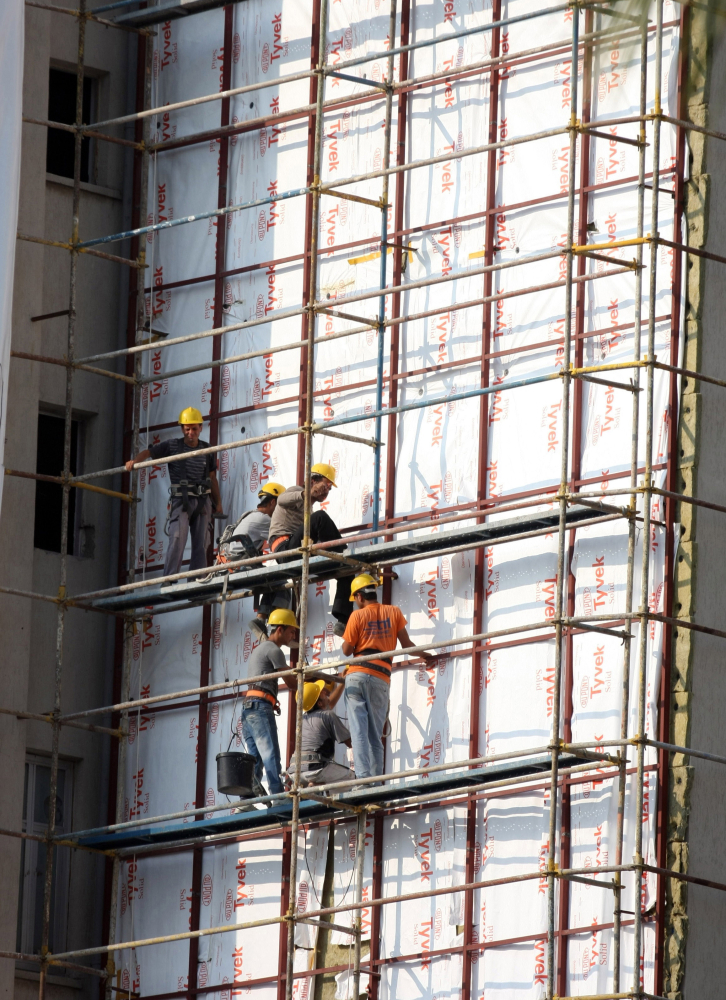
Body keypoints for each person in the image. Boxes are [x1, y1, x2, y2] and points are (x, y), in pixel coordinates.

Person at [341, 574, 434, 782]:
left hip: (356, 674)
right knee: (376, 735)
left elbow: (347, 650)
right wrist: (426, 655)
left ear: (358, 597)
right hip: (380, 677)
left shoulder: (356, 616)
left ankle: (363, 781)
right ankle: (375, 783)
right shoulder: (394, 612)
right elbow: (407, 644)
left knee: (358, 732)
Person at [125, 407, 223, 578]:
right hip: (181, 500)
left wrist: (218, 503)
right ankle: (169, 579)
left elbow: (212, 478)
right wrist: (135, 461)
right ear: (182, 429)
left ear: (200, 427)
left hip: (202, 501)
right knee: (177, 538)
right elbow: (149, 452)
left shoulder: (207, 450)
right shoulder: (173, 446)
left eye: (194, 428)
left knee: (201, 544)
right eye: (187, 429)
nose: (190, 432)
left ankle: (197, 581)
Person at [268, 463, 351, 635]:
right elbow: (282, 499)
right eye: (325, 485)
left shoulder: (310, 511)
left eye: (329, 488)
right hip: (285, 549)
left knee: (346, 569)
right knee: (320, 517)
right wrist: (306, 493)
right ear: (313, 480)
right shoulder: (295, 491)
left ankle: (343, 620)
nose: (326, 491)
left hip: (299, 553)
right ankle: (342, 551)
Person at [214, 481, 287, 639]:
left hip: (231, 566)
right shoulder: (264, 519)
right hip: (239, 566)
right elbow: (281, 541)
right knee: (281, 582)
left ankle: (261, 619)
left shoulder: (250, 515)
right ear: (273, 502)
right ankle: (279, 628)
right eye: (281, 508)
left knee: (271, 580)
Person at [240, 608, 300, 795]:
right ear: (279, 629)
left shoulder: (261, 648)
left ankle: (246, 801)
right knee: (271, 755)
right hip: (259, 707)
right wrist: (302, 674)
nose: (293, 636)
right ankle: (278, 795)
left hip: (249, 708)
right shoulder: (274, 650)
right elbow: (292, 684)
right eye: (291, 631)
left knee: (255, 761)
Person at [286, 678, 353, 787]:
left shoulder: (301, 719)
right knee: (354, 779)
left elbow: (326, 706)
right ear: (320, 703)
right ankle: (316, 784)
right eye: (322, 693)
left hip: (294, 771)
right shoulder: (328, 715)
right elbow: (351, 743)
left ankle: (315, 786)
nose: (326, 694)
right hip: (315, 769)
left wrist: (342, 683)